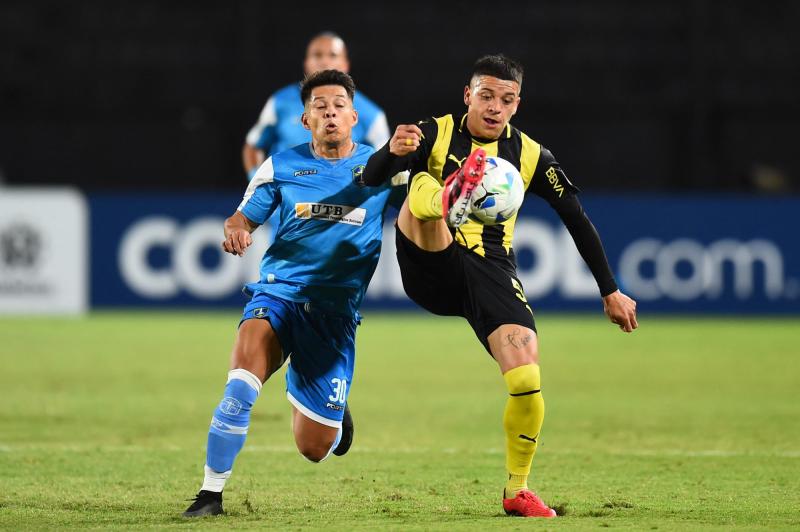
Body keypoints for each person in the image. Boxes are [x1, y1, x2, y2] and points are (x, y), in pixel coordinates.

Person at [360, 54, 638, 518]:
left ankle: (517, 490)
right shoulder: (434, 131)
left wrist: (609, 289)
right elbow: (371, 179)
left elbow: (576, 219)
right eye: (486, 96)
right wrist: (392, 149)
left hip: (490, 271)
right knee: (418, 186)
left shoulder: (531, 155)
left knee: (527, 374)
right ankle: (451, 194)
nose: (494, 107)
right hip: (431, 257)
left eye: (505, 100)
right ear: (468, 95)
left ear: (517, 105)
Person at [182, 69, 403, 517]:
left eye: (339, 105)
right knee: (239, 389)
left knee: (315, 448)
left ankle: (333, 416)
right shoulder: (281, 165)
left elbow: (424, 209)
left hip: (333, 316)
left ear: (354, 116)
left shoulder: (382, 169)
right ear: (305, 120)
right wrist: (235, 230)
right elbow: (241, 219)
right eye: (319, 107)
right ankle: (209, 495)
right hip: (278, 296)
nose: (330, 113)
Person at [242, 31, 390, 178]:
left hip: (340, 198)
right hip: (285, 196)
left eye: (333, 55)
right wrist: (257, 180)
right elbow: (253, 146)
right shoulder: (280, 101)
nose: (325, 61)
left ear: (345, 64)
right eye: (317, 55)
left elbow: (386, 162)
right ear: (306, 63)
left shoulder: (372, 114)